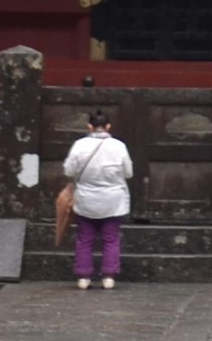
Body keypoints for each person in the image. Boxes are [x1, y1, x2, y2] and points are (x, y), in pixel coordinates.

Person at [61, 107, 133, 290]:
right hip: (113, 200)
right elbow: (128, 173)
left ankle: (83, 277)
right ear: (108, 126)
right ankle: (109, 276)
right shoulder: (119, 146)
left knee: (84, 238)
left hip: (86, 198)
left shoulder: (79, 145)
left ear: (89, 126)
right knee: (111, 238)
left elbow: (69, 171)